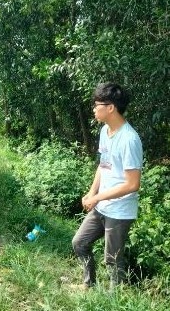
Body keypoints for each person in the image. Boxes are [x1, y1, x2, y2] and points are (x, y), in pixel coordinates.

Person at [72, 82, 143, 289]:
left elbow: (132, 184)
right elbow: (104, 165)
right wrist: (91, 192)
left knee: (112, 259)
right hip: (102, 206)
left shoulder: (129, 139)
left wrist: (98, 197)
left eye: (97, 104)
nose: (94, 108)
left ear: (110, 107)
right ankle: (89, 284)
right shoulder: (105, 130)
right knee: (80, 243)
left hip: (120, 211)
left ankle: (115, 300)